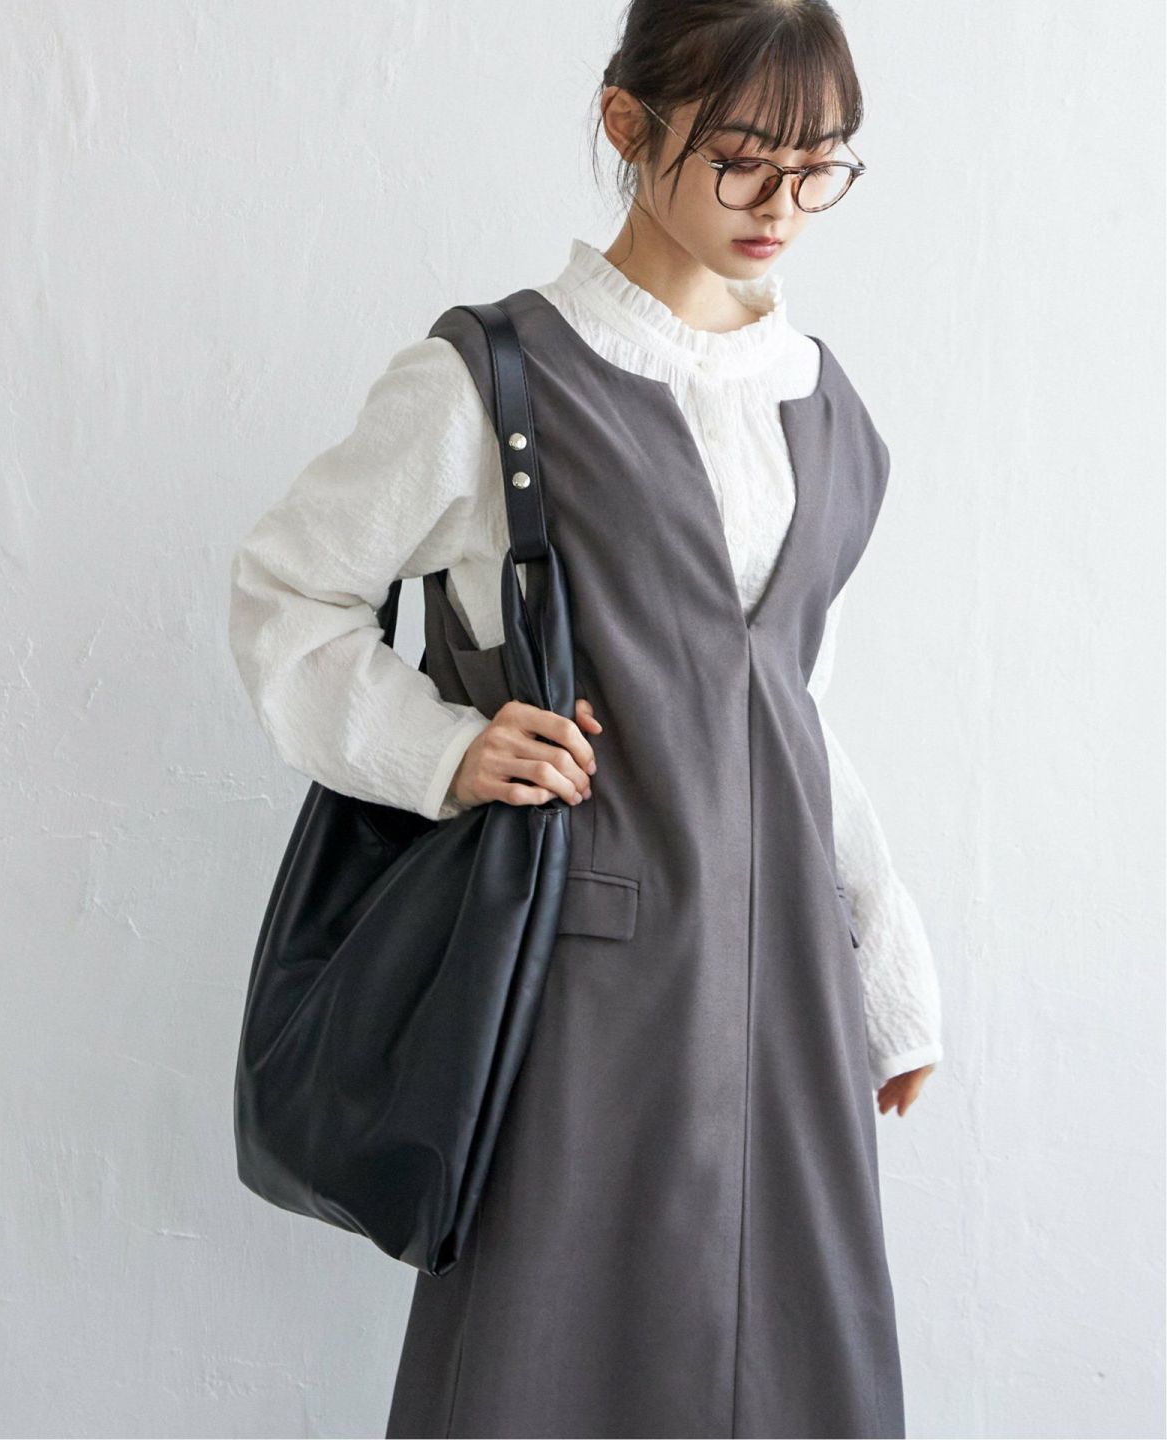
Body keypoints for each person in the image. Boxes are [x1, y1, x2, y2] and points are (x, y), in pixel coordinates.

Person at [228, 2, 944, 1434]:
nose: (782, 207)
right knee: (549, 1373)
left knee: (794, 1371)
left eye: (819, 168)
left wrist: (889, 973)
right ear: (629, 123)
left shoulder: (825, 407)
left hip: (791, 983)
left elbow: (791, 713)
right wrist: (443, 753)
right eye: (743, 159)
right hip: (584, 979)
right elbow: (286, 595)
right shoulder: (494, 380)